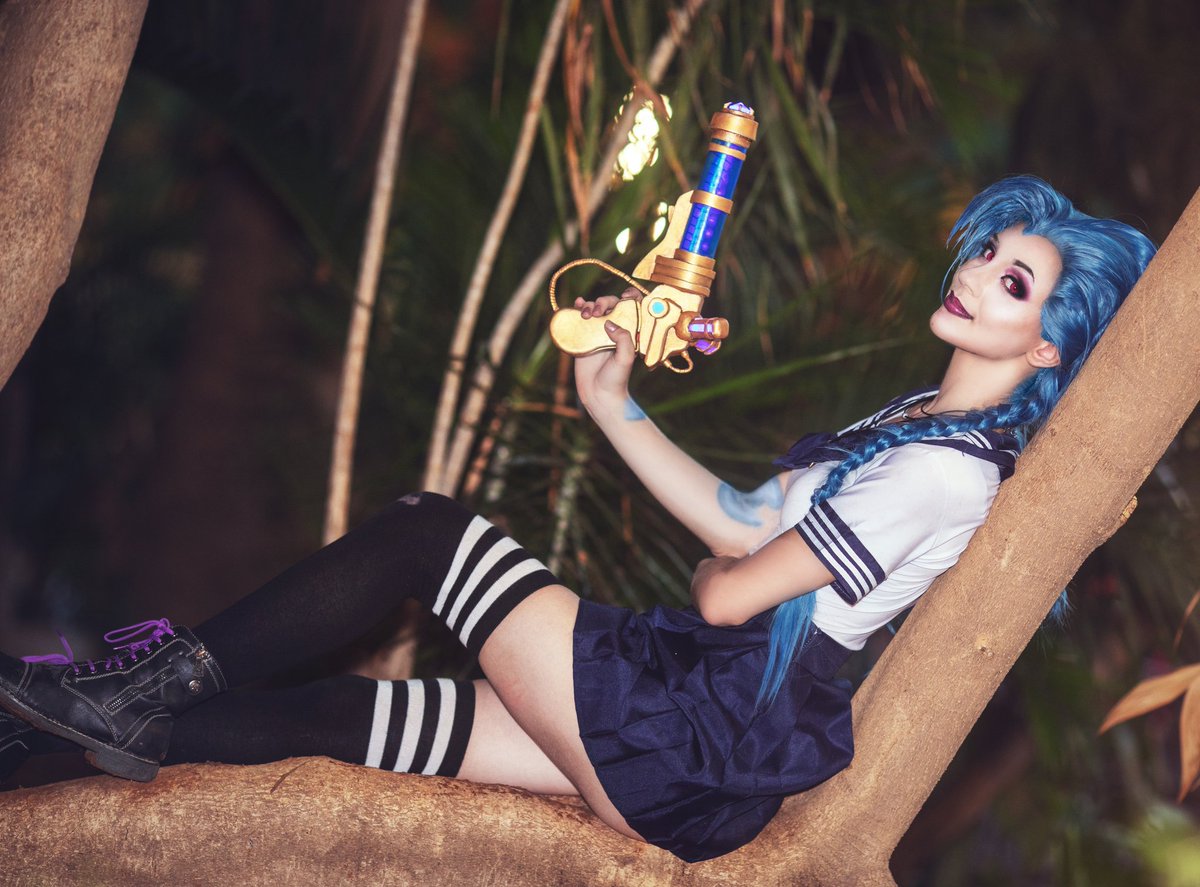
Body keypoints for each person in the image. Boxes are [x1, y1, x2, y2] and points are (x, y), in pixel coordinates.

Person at [0, 176, 1156, 862]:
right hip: (689, 701)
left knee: (428, 532)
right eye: (989, 252)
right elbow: (742, 518)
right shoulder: (914, 422)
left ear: (1052, 345)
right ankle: (33, 753)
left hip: (698, 733)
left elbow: (731, 587)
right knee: (350, 716)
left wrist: (732, 567)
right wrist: (612, 399)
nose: (977, 272)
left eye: (1015, 282)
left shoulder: (947, 475)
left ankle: (140, 688)